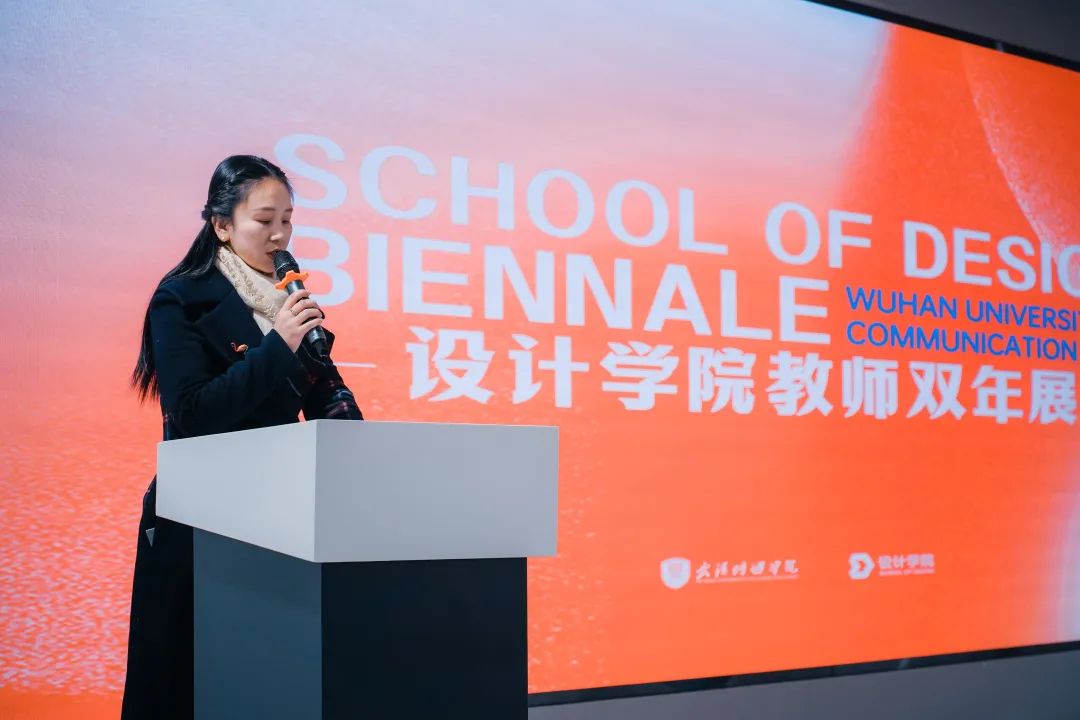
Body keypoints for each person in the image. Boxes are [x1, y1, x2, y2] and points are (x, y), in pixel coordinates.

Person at [122, 155, 363, 719]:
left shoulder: (288, 301)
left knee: (264, 683)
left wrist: (356, 442)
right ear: (222, 224)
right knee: (183, 684)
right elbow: (193, 413)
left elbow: (326, 395)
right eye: (264, 220)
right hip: (199, 523)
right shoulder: (181, 297)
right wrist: (278, 345)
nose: (280, 235)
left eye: (288, 220)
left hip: (277, 518)